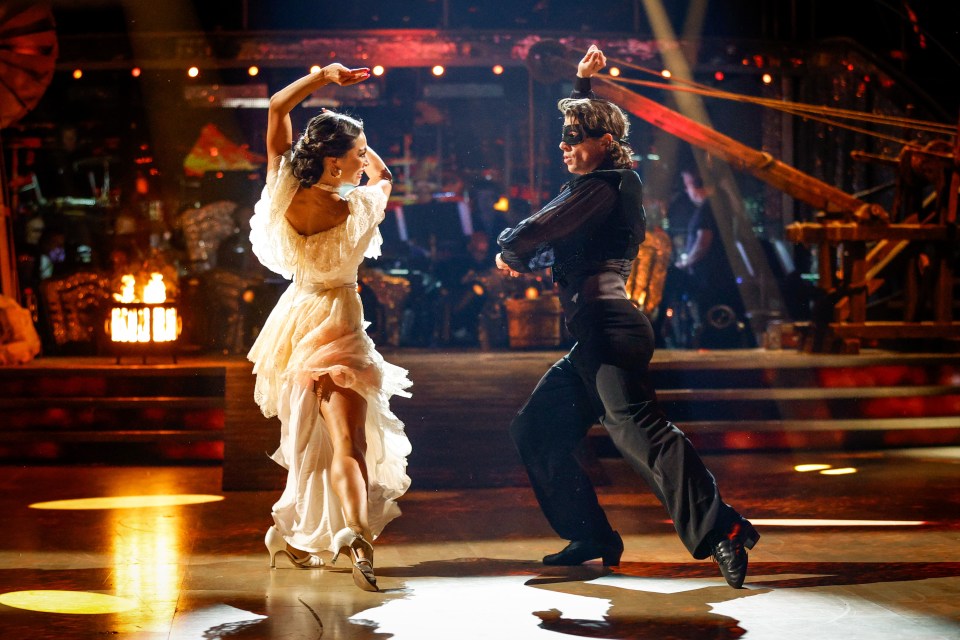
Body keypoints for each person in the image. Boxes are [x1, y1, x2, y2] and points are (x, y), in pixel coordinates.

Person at [496, 45, 759, 589]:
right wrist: (582, 83)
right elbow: (550, 228)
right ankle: (592, 534)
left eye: (575, 139)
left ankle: (724, 530)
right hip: (593, 337)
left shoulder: (606, 186)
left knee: (639, 432)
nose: (563, 145)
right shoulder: (596, 184)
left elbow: (537, 229)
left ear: (605, 144)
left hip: (613, 332)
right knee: (537, 430)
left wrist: (511, 249)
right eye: (563, 137)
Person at [247, 64, 413, 592]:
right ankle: (354, 535)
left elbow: (277, 107)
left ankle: (297, 535)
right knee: (345, 441)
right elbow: (385, 180)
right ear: (337, 160)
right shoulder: (359, 205)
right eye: (357, 152)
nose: (364, 159)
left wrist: (324, 78)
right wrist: (371, 160)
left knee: (314, 442)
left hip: (298, 317)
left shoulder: (284, 193)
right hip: (337, 320)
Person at [675, 167, 749, 348]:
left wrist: (684, 263)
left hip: (709, 281)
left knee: (711, 323)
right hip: (720, 278)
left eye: (688, 185)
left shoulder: (708, 208)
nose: (687, 191)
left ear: (699, 184)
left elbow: (703, 244)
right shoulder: (718, 206)